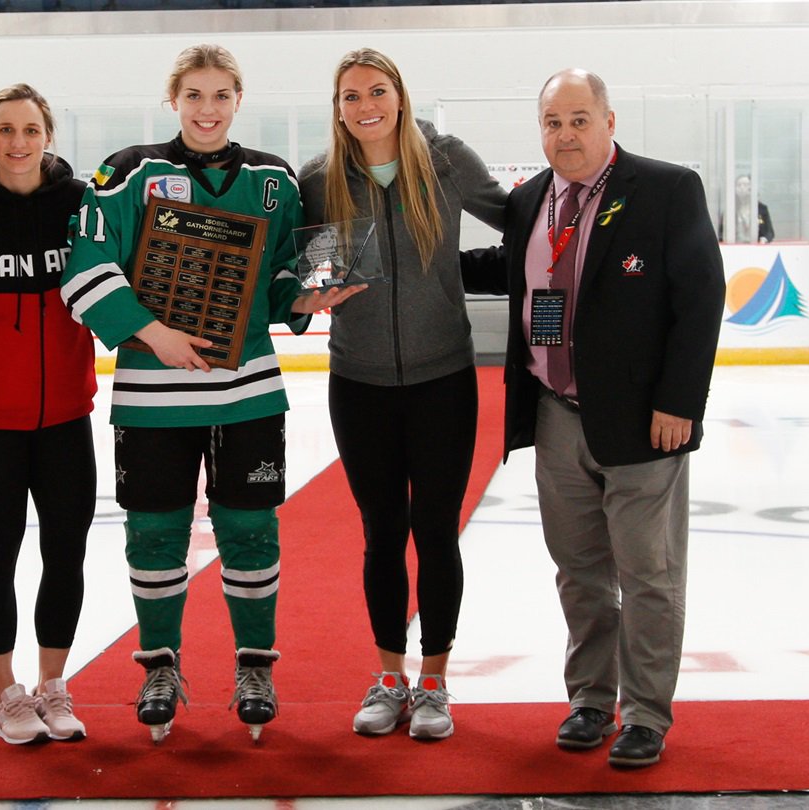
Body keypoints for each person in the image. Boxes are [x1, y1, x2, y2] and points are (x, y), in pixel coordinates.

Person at [60, 43, 361, 744]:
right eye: (193, 95)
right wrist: (152, 333)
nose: (207, 108)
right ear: (173, 100)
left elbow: (281, 275)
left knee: (251, 532)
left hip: (247, 392)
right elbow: (85, 266)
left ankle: (255, 667)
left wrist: (307, 297)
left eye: (221, 94)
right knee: (155, 533)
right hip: (152, 395)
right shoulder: (129, 172)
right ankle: (159, 667)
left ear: (238, 100)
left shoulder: (274, 180)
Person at [461, 69, 724, 768]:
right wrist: (421, 267)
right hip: (555, 415)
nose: (566, 135)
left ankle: (646, 715)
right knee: (579, 572)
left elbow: (701, 298)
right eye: (553, 122)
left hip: (643, 421)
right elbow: (510, 268)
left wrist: (680, 403)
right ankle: (590, 700)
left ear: (609, 121)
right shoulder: (531, 200)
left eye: (579, 120)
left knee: (648, 575)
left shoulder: (667, 189)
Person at [298, 47, 506, 741]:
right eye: (351, 96)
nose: (366, 106)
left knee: (436, 532)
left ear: (400, 95)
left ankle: (435, 682)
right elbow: (298, 271)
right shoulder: (320, 178)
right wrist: (303, 296)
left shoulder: (446, 161)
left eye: (377, 91)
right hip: (359, 382)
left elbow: (521, 222)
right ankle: (389, 677)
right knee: (381, 531)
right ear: (338, 109)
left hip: (443, 378)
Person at [0, 84, 96, 745]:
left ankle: (53, 686)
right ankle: (6, 693)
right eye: (5, 130)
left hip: (65, 414)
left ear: (48, 136)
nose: (18, 142)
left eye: (30, 130)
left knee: (66, 550)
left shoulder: (79, 207)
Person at [732, 174, 775, 243]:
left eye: (745, 185)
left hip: (756, 246)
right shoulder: (731, 209)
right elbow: (721, 234)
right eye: (739, 185)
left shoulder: (761, 209)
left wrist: (764, 239)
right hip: (735, 246)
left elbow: (770, 233)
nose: (742, 188)